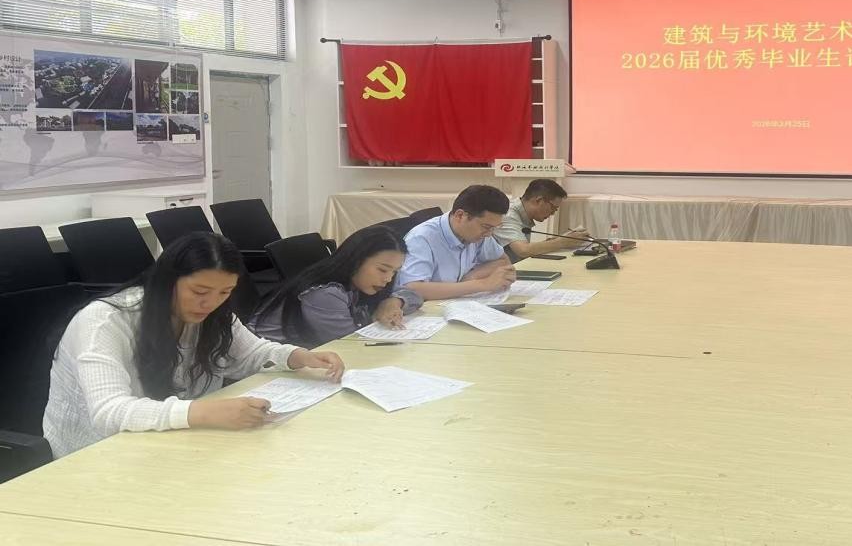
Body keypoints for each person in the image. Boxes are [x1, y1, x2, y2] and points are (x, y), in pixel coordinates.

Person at [43, 233, 344, 458]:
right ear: (167, 281)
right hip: (96, 455)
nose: (210, 303)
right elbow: (109, 412)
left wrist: (297, 356)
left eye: (225, 292)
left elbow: (250, 354)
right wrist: (204, 412)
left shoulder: (214, 314)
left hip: (174, 442)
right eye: (199, 291)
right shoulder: (105, 322)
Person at [249, 225, 414, 347]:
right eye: (382, 269)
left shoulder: (362, 283)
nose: (388, 278)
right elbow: (350, 346)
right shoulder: (326, 293)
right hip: (264, 367)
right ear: (356, 260)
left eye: (394, 271)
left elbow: (414, 294)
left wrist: (393, 302)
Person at [388, 184, 517, 302]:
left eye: (494, 228)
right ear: (460, 215)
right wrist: (482, 284)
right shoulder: (421, 238)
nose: (489, 234)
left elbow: (502, 261)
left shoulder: (479, 234)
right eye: (486, 227)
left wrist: (472, 277)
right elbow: (412, 289)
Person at [493, 179, 589, 262]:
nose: (553, 213)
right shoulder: (507, 214)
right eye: (553, 208)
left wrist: (561, 240)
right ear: (539, 200)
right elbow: (523, 250)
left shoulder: (522, 213)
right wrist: (562, 242)